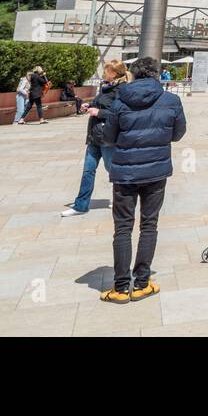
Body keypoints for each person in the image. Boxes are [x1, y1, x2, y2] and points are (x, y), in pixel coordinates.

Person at [99, 56, 186, 304]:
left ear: (133, 75)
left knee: (123, 227)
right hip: (155, 172)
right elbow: (178, 134)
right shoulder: (171, 100)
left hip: (125, 173)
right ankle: (142, 283)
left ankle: (120, 287)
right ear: (157, 75)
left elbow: (108, 136)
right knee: (149, 225)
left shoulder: (120, 100)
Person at [62, 59, 131, 218]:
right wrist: (89, 105)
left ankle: (123, 200)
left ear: (113, 73)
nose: (103, 73)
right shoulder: (105, 87)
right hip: (94, 136)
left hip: (108, 138)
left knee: (113, 171)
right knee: (88, 170)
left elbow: (121, 113)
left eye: (106, 70)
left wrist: (99, 113)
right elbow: (98, 103)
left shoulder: (123, 90)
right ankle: (81, 205)